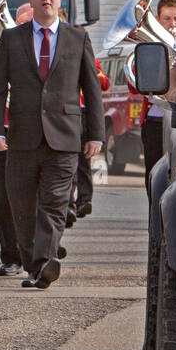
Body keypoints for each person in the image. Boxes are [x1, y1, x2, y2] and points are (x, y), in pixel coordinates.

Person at [0, 0, 104, 289]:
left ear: (60, 0)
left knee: (53, 203)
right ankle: (34, 263)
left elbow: (91, 89)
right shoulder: (12, 38)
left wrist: (95, 134)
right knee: (22, 207)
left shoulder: (77, 37)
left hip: (64, 137)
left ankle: (45, 263)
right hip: (22, 137)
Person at [0, 3, 32, 276]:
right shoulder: (2, 52)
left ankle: (36, 252)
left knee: (36, 194)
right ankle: (11, 255)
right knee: (2, 195)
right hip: (6, 130)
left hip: (36, 131)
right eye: (19, 24)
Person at [136, 0, 176, 186]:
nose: (173, 24)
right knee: (154, 176)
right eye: (167, 19)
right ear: (157, 20)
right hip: (155, 119)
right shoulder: (150, 47)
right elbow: (134, 87)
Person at [68, 55, 111, 225]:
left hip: (83, 113)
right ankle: (69, 202)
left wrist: (87, 71)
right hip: (65, 111)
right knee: (68, 159)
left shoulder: (91, 60)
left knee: (83, 159)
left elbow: (104, 84)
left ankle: (84, 200)